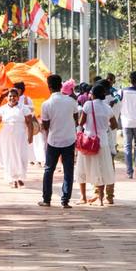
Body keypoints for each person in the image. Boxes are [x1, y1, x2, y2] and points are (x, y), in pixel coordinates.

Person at [38, 75, 78, 208]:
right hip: (69, 139)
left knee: (49, 170)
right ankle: (65, 200)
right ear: (61, 86)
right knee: (68, 170)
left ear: (48, 87)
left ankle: (46, 199)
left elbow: (45, 125)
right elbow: (76, 119)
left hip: (53, 140)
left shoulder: (46, 104)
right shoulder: (71, 101)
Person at [76, 85, 118, 206]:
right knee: (101, 169)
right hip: (102, 142)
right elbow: (114, 125)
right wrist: (104, 128)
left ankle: (83, 197)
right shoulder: (107, 108)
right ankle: (100, 199)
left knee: (82, 168)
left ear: (93, 94)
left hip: (88, 141)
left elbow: (81, 122)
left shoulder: (88, 105)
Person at [0, 88, 33, 188]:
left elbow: (29, 123)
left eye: (14, 96)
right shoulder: (2, 108)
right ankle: (11, 178)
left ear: (18, 97)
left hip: (20, 134)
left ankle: (20, 177)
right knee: (8, 156)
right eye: (10, 96)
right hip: (6, 134)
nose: (12, 98)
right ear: (7, 97)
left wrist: (30, 136)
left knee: (21, 156)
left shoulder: (23, 108)